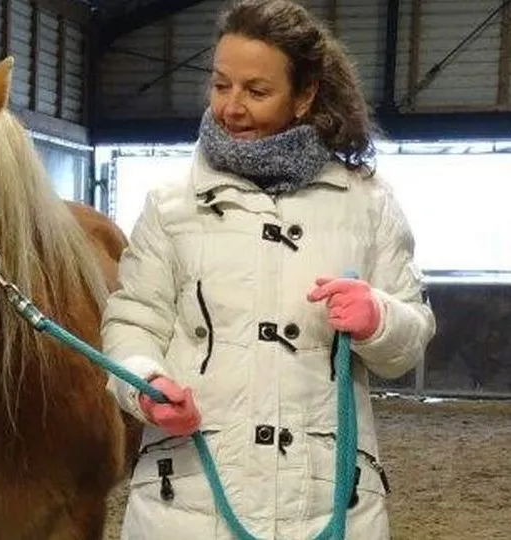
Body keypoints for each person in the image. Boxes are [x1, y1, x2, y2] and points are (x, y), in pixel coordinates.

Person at [100, 0, 437, 538]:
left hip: (327, 503)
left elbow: (412, 338)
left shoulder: (369, 205)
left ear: (304, 97)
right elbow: (131, 322)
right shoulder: (170, 206)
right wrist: (146, 384)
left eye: (257, 91)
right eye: (220, 85)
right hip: (187, 501)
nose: (232, 107)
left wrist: (379, 316)